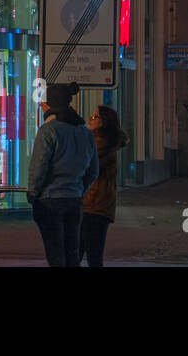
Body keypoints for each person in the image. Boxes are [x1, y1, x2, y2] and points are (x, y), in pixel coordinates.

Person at [27, 82, 99, 267]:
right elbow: (93, 171)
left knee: (55, 252)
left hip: (50, 200)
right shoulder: (85, 133)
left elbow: (39, 166)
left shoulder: (48, 131)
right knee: (72, 252)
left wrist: (33, 192)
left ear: (51, 104)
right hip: (74, 198)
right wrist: (79, 189)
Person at [80, 104, 128, 267]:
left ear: (104, 122)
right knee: (92, 253)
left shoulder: (100, 143)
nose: (90, 119)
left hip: (92, 204)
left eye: (95, 117)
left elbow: (85, 168)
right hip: (99, 205)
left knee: (81, 252)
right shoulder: (104, 142)